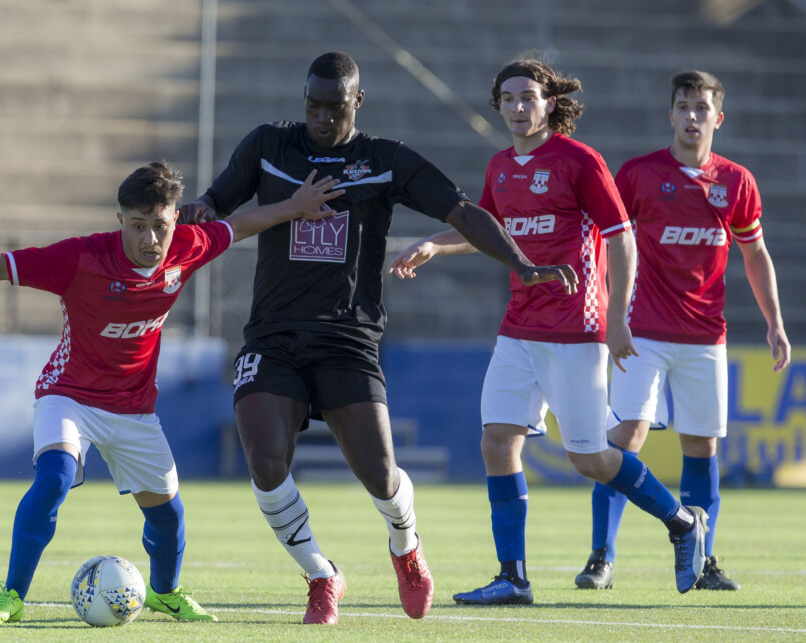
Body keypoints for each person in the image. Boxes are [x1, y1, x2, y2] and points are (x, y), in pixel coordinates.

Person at [178, 51, 576, 625]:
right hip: (273, 335)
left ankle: (406, 546)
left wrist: (524, 265)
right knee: (265, 463)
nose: (319, 116)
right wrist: (194, 212)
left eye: (333, 107)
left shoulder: (384, 161)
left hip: (348, 339)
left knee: (382, 476)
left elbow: (463, 213)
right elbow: (216, 204)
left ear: (356, 102)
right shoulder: (268, 145)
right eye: (311, 105)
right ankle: (321, 575)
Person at [0, 161, 345, 624]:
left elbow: (237, 225)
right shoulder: (81, 257)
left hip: (134, 409)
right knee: (53, 479)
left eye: (159, 226)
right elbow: (3, 265)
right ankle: (11, 596)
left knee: (168, 517)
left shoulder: (188, 247)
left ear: (176, 220)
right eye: (138, 226)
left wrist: (293, 208)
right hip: (69, 396)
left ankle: (165, 591)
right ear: (120, 222)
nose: (150, 240)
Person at [388, 58, 710, 605]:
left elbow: (622, 238)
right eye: (508, 98)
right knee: (497, 441)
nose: (518, 107)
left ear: (550, 103)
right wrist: (436, 245)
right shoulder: (500, 167)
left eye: (529, 97)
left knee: (589, 459)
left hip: (575, 330)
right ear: (498, 105)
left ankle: (683, 523)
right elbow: (486, 231)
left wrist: (616, 320)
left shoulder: (580, 162)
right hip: (518, 328)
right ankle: (513, 578)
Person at [573, 70, 790, 592]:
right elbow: (608, 242)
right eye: (683, 106)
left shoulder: (736, 182)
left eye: (702, 108)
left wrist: (775, 323)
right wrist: (611, 314)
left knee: (702, 447)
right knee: (626, 440)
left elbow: (755, 253)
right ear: (670, 114)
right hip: (641, 333)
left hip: (705, 337)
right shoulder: (639, 175)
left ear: (719, 117)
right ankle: (601, 556)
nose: (692, 116)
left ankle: (703, 558)